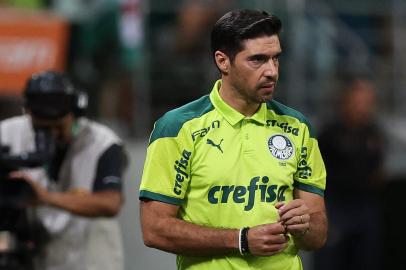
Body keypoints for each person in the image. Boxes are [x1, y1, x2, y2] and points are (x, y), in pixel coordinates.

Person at [139, 9, 327, 270]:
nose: (272, 71)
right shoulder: (178, 128)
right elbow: (154, 229)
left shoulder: (298, 127)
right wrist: (240, 239)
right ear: (223, 61)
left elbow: (317, 235)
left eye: (276, 59)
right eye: (258, 60)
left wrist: (305, 225)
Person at [0, 70, 127, 270]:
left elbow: (110, 203)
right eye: (42, 128)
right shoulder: (7, 133)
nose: (52, 135)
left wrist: (44, 197)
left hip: (88, 261)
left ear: (74, 114)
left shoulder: (102, 142)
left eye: (58, 127)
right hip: (34, 258)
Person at [314, 79, 385, 270]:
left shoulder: (374, 133)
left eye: (367, 102)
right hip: (336, 207)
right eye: (358, 102)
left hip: (366, 207)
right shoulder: (329, 135)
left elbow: (378, 171)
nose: (362, 108)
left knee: (367, 259)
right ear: (345, 102)